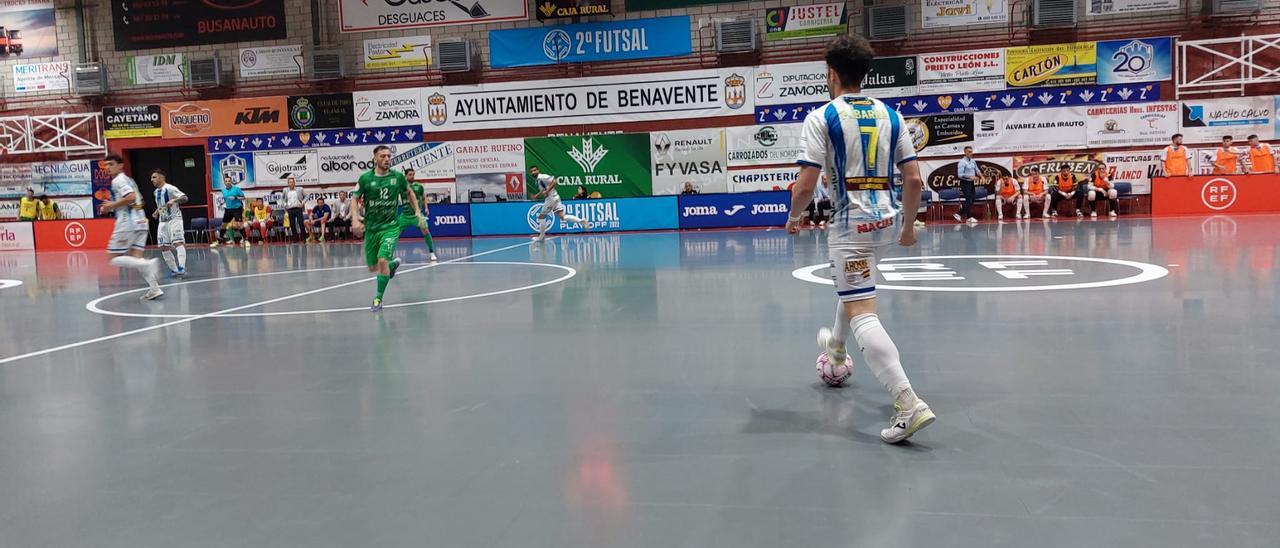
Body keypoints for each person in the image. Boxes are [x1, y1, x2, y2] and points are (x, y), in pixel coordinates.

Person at [784, 35, 934, 444]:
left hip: (850, 225)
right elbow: (915, 179)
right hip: (885, 223)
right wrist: (906, 228)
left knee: (862, 310)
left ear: (831, 75)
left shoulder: (821, 117)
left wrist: (795, 217)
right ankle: (835, 351)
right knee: (853, 291)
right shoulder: (894, 116)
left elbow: (805, 185)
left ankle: (908, 403)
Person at [354, 145, 426, 312]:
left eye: (388, 156)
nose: (386, 159)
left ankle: (378, 298)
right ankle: (392, 266)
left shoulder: (397, 177)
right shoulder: (365, 178)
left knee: (382, 261)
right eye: (382, 156)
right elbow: (354, 198)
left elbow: (409, 193)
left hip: (390, 227)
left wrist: (417, 211)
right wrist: (355, 219)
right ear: (375, 158)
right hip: (372, 228)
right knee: (374, 267)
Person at [100, 154, 162, 301]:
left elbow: (131, 197)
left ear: (120, 165)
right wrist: (113, 206)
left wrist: (111, 205)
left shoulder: (118, 180)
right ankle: (155, 288)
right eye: (106, 165)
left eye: (111, 164)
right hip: (141, 221)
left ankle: (149, 263)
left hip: (127, 223)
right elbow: (136, 199)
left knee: (112, 258)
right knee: (136, 257)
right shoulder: (129, 179)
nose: (108, 168)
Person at [529, 165, 590, 242]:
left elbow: (554, 181)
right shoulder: (537, 180)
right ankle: (581, 221)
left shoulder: (543, 177)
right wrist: (536, 195)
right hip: (556, 198)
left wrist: (547, 191)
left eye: (535, 170)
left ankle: (542, 237)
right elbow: (543, 189)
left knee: (541, 217)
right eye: (531, 171)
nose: (533, 172)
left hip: (550, 199)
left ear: (538, 170)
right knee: (562, 217)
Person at [149, 169, 189, 277]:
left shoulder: (170, 188)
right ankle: (174, 270)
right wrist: (157, 211)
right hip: (162, 221)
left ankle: (182, 268)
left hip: (175, 219)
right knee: (163, 247)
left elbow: (185, 198)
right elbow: (163, 205)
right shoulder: (156, 192)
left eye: (154, 177)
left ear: (162, 177)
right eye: (152, 177)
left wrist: (174, 200)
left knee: (177, 243)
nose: (152, 180)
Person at [400, 168, 438, 262]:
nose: (412, 176)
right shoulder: (401, 187)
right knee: (394, 234)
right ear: (405, 175)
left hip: (417, 215)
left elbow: (424, 198)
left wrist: (426, 208)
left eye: (413, 174)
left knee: (425, 230)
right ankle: (388, 255)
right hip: (405, 215)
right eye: (410, 174)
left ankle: (431, 252)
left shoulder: (419, 186)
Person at [211, 175, 248, 248]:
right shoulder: (223, 190)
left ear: (231, 181)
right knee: (223, 225)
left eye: (229, 181)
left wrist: (235, 197)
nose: (227, 182)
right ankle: (220, 240)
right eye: (226, 181)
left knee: (239, 224)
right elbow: (225, 199)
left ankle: (245, 240)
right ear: (224, 182)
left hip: (237, 208)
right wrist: (221, 204)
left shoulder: (237, 189)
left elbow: (243, 197)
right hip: (228, 209)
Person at [953, 146, 978, 224]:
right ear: (965, 152)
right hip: (965, 183)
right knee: (969, 200)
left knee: (972, 199)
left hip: (971, 183)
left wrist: (982, 177)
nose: (971, 153)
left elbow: (977, 170)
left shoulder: (973, 161)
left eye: (971, 151)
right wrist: (970, 177)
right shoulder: (962, 162)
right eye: (969, 152)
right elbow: (960, 175)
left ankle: (963, 215)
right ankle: (965, 216)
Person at [282, 176, 306, 243]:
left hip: (298, 208)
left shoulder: (300, 189)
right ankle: (295, 238)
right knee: (292, 224)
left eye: (292, 182)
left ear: (294, 183)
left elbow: (307, 196)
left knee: (301, 223)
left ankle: (303, 238)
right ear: (288, 183)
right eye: (290, 182)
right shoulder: (285, 190)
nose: (291, 183)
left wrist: (303, 203)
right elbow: (282, 198)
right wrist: (285, 205)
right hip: (290, 209)